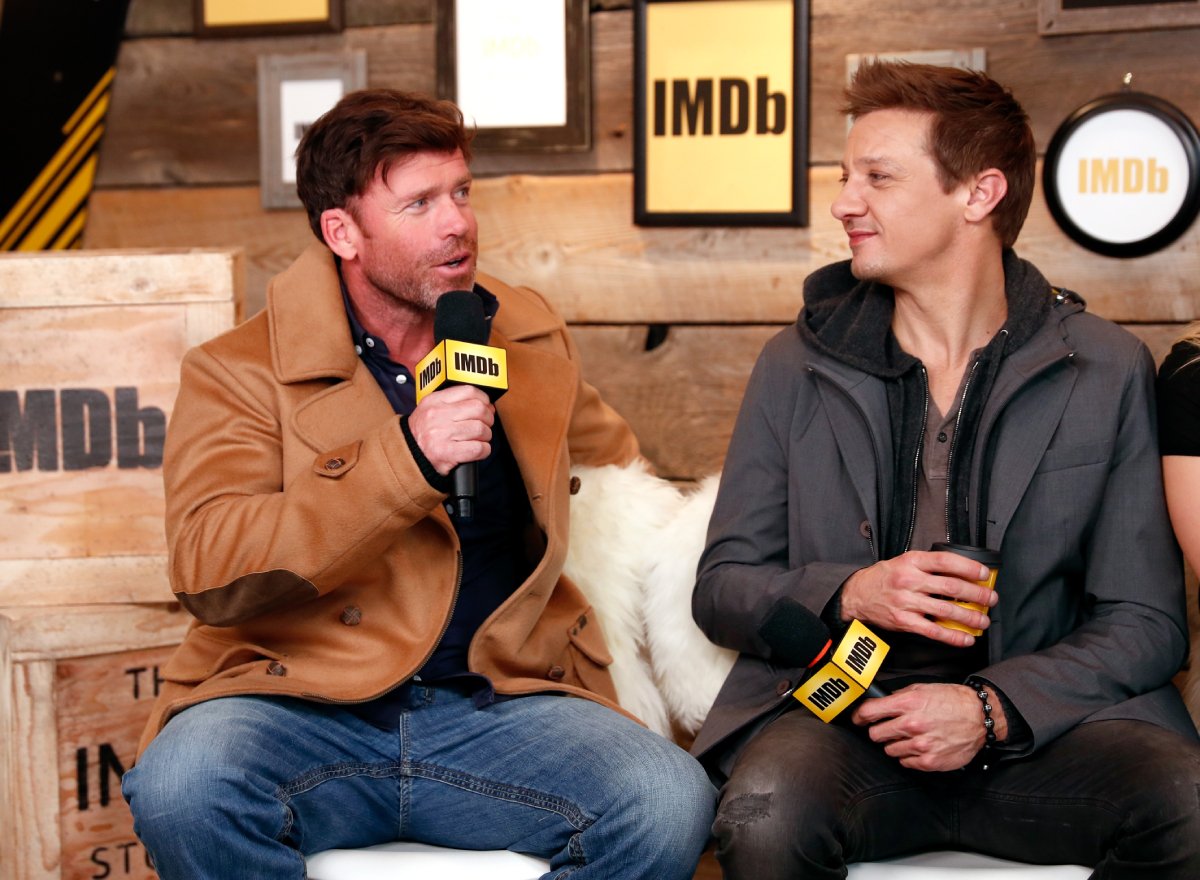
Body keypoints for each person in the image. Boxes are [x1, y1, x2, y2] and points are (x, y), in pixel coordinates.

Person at [122, 89, 715, 879]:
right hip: (302, 704)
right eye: (419, 204)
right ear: (343, 232)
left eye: (462, 192)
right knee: (180, 787)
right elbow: (207, 566)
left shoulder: (523, 331)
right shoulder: (239, 373)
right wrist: (404, 458)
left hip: (498, 703)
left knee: (668, 801)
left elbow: (619, 478)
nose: (457, 223)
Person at [691, 60, 1200, 879]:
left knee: (1192, 804)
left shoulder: (1107, 366)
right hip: (845, 726)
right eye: (845, 174)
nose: (843, 201)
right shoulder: (795, 364)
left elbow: (1145, 620)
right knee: (764, 815)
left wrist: (989, 708)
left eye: (879, 177)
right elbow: (722, 589)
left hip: (1050, 732)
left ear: (979, 194)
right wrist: (849, 592)